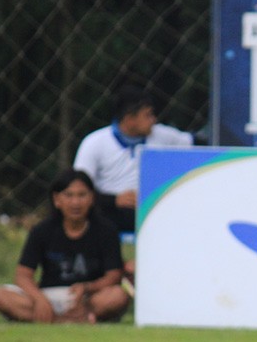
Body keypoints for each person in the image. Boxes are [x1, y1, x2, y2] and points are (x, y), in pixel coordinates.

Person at [0, 169, 130, 323]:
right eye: (69, 195)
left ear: (92, 198)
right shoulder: (41, 230)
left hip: (88, 296)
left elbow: (114, 275)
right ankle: (68, 320)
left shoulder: (106, 230)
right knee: (0, 295)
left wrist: (87, 288)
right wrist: (39, 299)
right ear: (57, 199)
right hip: (49, 295)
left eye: (81, 195)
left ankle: (56, 319)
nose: (75, 202)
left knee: (117, 296)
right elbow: (23, 275)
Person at [73, 84, 194, 234]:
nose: (154, 120)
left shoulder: (163, 136)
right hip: (110, 212)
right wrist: (114, 200)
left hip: (154, 208)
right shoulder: (94, 143)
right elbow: (79, 187)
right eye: (148, 115)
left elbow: (195, 143)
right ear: (130, 119)